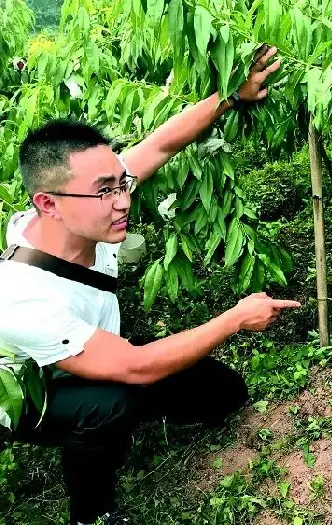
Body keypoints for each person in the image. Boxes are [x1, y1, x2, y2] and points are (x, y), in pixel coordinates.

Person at [0, 45, 300, 525]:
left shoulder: (87, 209)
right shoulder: (19, 296)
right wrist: (235, 318)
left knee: (225, 392)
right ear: (48, 203)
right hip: (31, 388)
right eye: (106, 191)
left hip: (93, 348)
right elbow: (135, 366)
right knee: (113, 400)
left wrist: (232, 97)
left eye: (121, 184)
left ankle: (137, 412)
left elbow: (161, 144)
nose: (122, 201)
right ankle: (92, 515)